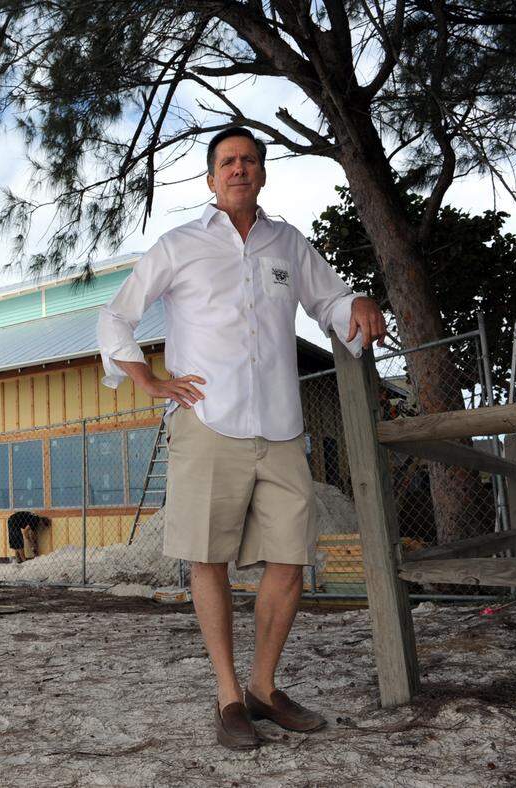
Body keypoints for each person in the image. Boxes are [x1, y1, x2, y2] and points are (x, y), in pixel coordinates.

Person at [97, 127, 386, 750]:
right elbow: (116, 313)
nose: (239, 169)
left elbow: (331, 303)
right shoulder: (179, 245)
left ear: (262, 173)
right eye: (227, 161)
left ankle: (264, 685)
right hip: (208, 422)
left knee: (291, 558)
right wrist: (144, 375)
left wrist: (357, 302)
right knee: (208, 559)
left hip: (281, 425)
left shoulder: (289, 244)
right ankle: (228, 695)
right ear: (210, 178)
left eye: (249, 160)